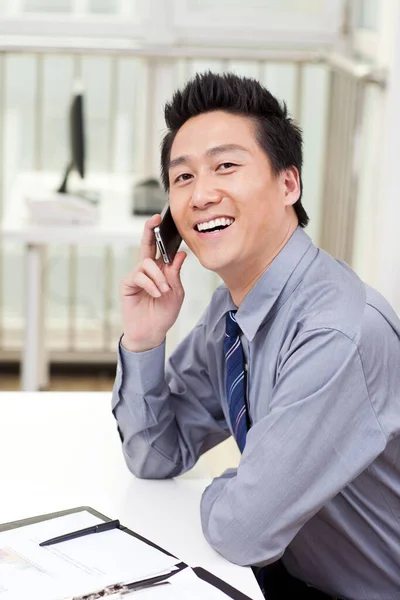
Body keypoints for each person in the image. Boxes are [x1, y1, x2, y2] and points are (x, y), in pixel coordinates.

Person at [112, 72, 400, 600]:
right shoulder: (234, 307)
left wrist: (255, 494)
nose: (201, 194)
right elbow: (155, 455)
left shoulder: (334, 334)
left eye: (225, 166)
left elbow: (245, 531)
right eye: (182, 178)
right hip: (282, 573)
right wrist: (145, 340)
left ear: (288, 184)